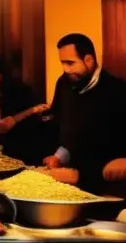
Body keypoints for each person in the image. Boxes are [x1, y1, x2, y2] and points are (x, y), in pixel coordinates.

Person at [42, 33, 126, 191]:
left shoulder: (117, 92)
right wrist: (59, 156)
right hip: (69, 178)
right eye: (62, 63)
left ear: (89, 60)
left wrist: (80, 175)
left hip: (103, 185)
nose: (65, 69)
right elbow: (64, 126)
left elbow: (111, 149)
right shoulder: (64, 83)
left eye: (70, 63)